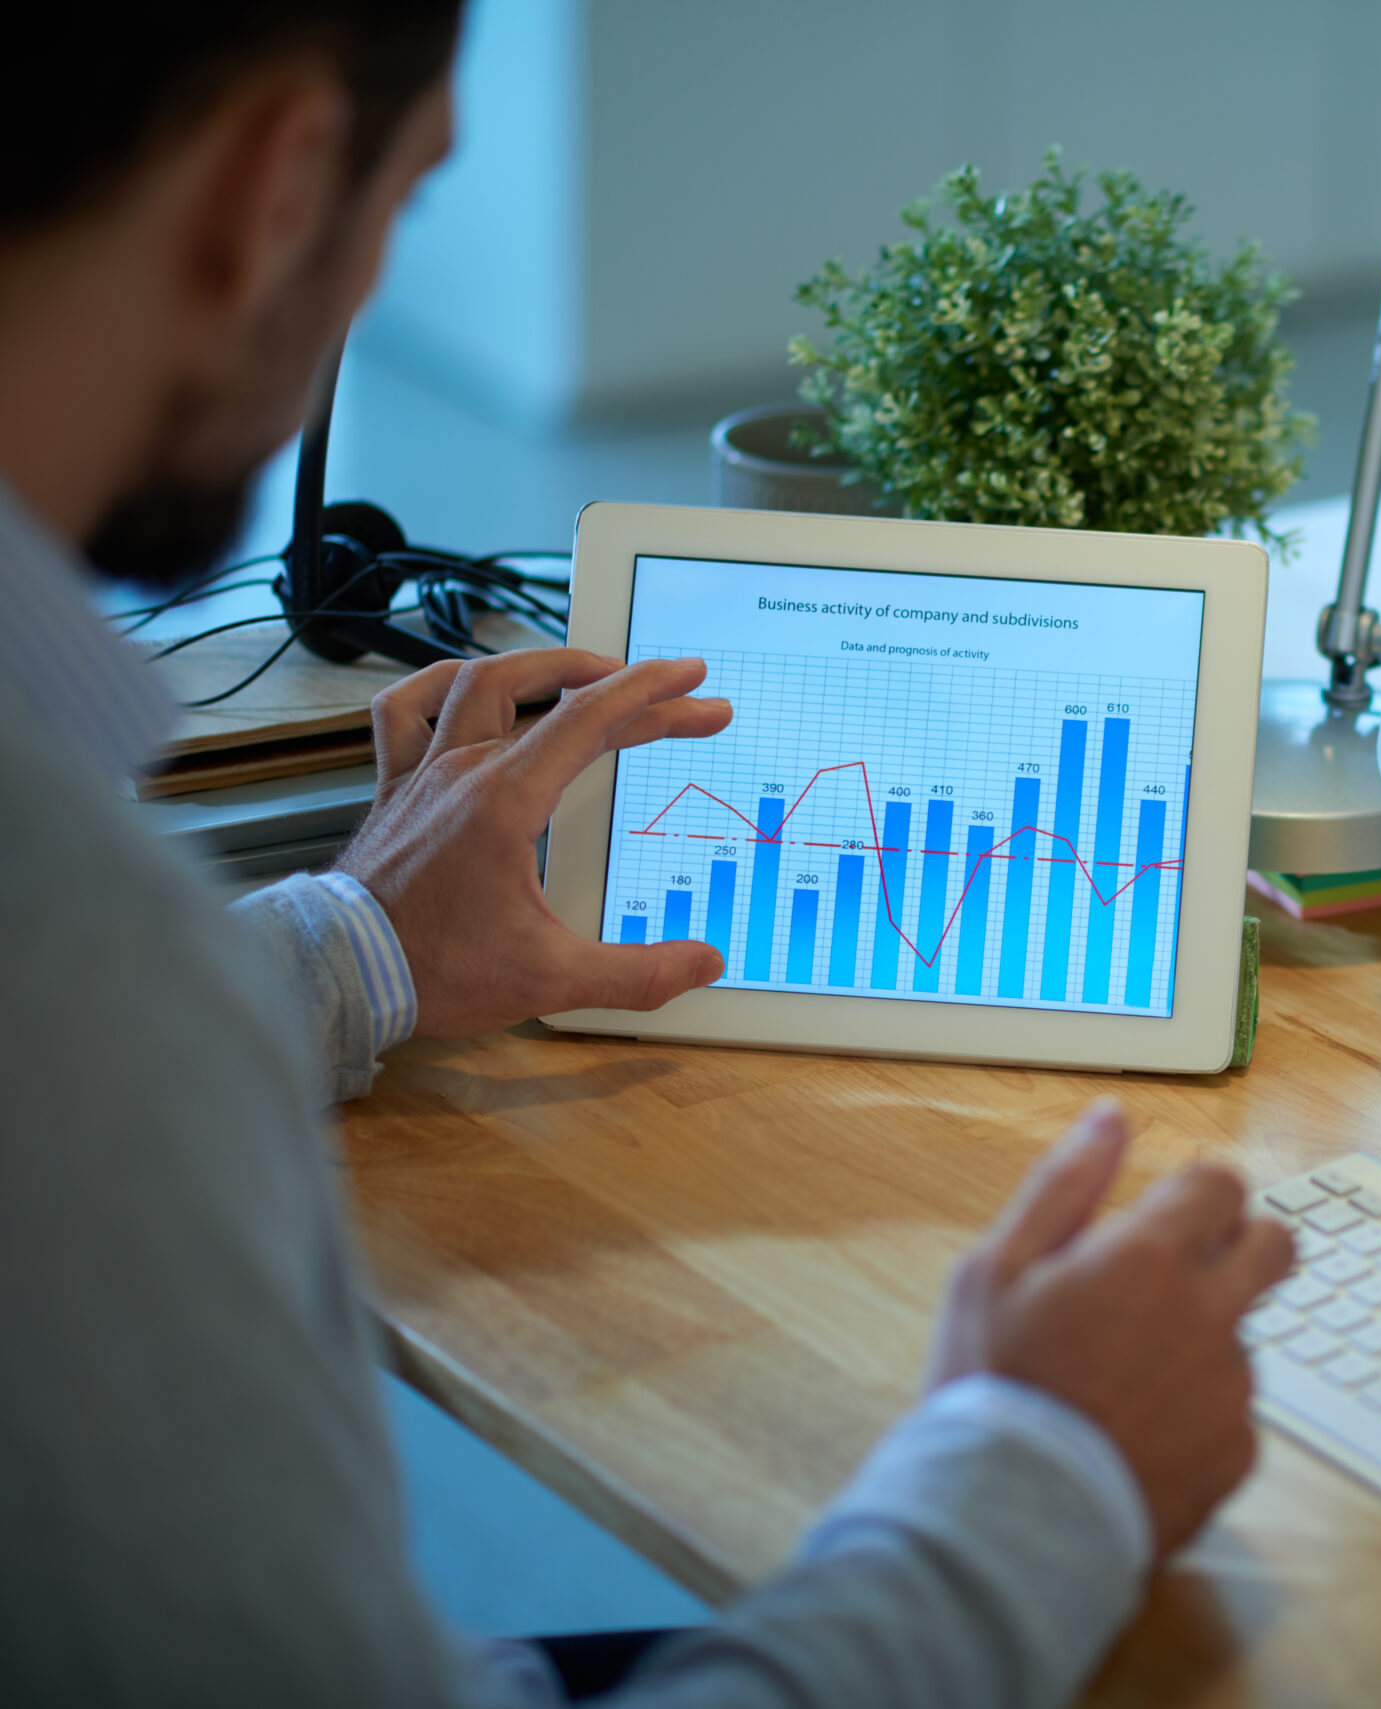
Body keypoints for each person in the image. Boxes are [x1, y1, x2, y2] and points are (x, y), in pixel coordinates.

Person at [0, 6, 1292, 1705]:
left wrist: (357, 936)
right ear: (279, 181)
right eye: (415, 193)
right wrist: (1038, 1480)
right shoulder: (81, 974)